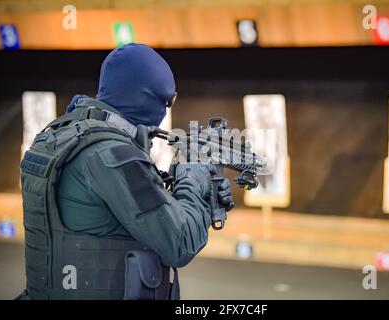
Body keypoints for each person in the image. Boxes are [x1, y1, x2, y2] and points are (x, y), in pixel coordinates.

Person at [17, 43, 234, 300]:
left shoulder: (56, 136)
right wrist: (194, 179)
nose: (163, 114)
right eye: (166, 102)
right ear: (146, 97)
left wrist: (198, 198)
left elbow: (116, 215)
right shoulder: (114, 156)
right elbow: (179, 243)